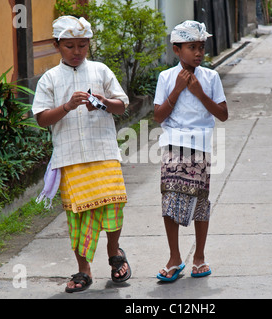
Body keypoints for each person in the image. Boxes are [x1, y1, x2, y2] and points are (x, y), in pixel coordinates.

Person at [32, 16, 131, 293]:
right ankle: (84, 269)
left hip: (104, 152)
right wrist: (66, 106)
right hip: (70, 157)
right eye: (70, 46)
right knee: (78, 215)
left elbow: (121, 106)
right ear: (57, 45)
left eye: (83, 45)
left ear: (89, 45)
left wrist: (101, 103)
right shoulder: (50, 78)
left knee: (112, 207)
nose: (76, 52)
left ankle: (114, 253)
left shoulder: (100, 71)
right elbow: (41, 118)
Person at [153, 20, 228, 281]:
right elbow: (158, 116)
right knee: (169, 200)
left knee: (200, 202)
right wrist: (177, 90)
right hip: (173, 146)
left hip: (200, 147)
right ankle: (175, 257)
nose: (198, 53)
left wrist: (198, 93)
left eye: (201, 47)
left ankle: (199, 258)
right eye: (191, 47)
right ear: (176, 50)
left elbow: (223, 114)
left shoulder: (210, 77)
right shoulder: (165, 77)